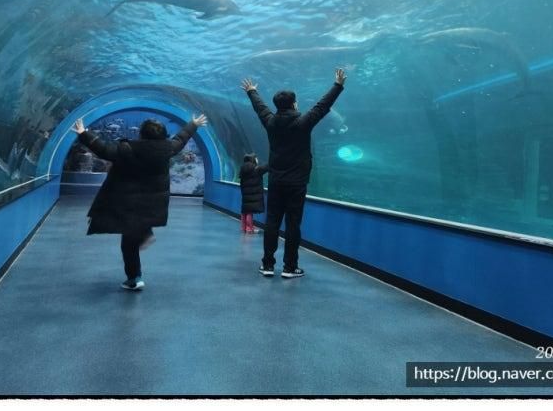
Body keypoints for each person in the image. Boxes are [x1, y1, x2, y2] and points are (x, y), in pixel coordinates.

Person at [71, 114, 208, 291]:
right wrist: (193, 124)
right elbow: (181, 139)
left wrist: (83, 133)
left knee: (128, 243)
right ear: (164, 135)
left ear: (141, 134)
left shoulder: (126, 148)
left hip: (128, 203)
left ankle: (134, 277)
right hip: (152, 203)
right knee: (136, 231)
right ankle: (144, 235)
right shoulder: (167, 148)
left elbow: (103, 149)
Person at [241, 67, 347, 279]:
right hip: (297, 182)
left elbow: (260, 108)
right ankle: (290, 267)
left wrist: (251, 91)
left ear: (277, 106)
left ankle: (268, 265)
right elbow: (322, 106)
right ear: (294, 104)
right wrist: (338, 85)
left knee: (272, 222)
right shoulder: (303, 123)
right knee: (293, 224)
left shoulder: (270, 122)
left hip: (277, 181)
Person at [239, 153, 269, 234]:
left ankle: (244, 228)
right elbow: (267, 167)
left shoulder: (242, 169)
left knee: (245, 210)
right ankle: (249, 229)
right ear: (253, 159)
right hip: (253, 194)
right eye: (256, 158)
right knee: (250, 212)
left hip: (245, 194)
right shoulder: (256, 169)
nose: (257, 160)